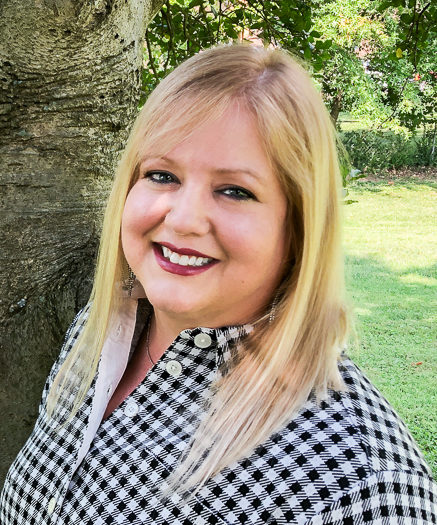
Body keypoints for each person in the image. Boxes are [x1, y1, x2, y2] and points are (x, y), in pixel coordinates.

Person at [1, 44, 435, 525]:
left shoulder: (355, 481)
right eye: (162, 175)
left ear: (299, 227)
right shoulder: (101, 331)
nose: (183, 219)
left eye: (235, 190)